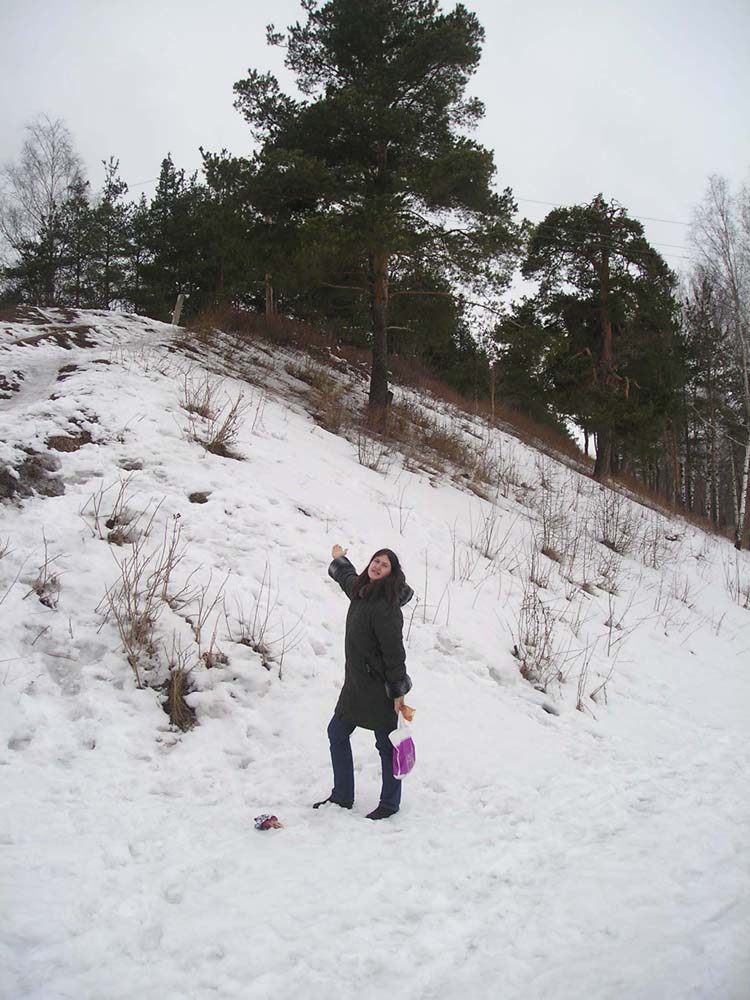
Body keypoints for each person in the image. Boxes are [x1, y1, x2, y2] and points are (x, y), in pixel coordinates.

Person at [314, 544, 414, 820]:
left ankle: (389, 803)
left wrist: (398, 692)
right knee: (337, 732)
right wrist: (339, 559)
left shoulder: (387, 607)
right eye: (376, 561)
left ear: (391, 573)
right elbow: (346, 577)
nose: (378, 567)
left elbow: (395, 654)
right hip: (356, 686)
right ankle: (342, 795)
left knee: (387, 745)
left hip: (380, 688)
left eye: (385, 565)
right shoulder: (362, 590)